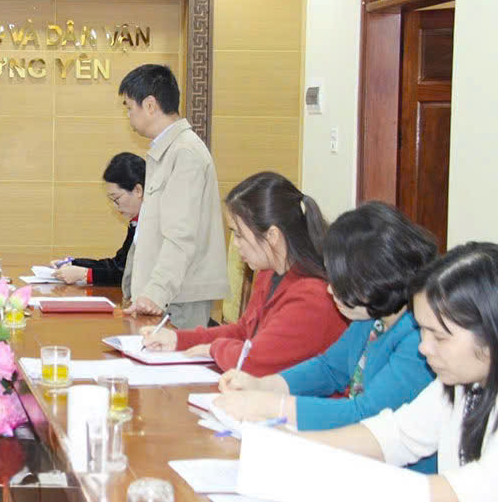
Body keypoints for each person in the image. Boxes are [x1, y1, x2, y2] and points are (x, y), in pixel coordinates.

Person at [214, 202, 438, 473]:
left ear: (375, 280)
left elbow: (365, 415)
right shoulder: (373, 314)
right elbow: (329, 368)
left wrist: (273, 405)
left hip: (401, 474)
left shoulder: (421, 339)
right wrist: (263, 385)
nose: (330, 290)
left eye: (341, 283)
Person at [300, 242, 498, 502]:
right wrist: (297, 444)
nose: (424, 347)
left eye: (439, 337)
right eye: (422, 330)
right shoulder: (461, 382)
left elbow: (465, 491)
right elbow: (397, 436)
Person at [143, 172, 347, 376]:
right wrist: (177, 339)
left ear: (272, 235)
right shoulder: (269, 273)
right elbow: (243, 332)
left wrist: (213, 349)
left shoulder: (312, 295)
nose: (236, 244)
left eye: (239, 235)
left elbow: (256, 360)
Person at [118, 64, 229, 328]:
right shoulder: (167, 151)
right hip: (166, 295)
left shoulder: (184, 153)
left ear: (150, 105)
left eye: (129, 108)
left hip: (176, 299)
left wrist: (156, 292)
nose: (129, 116)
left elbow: (181, 235)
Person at [50, 152, 144, 286]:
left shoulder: (154, 225)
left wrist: (85, 274)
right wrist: (74, 263)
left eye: (116, 198)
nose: (115, 206)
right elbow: (118, 264)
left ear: (138, 190)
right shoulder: (136, 222)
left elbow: (128, 274)